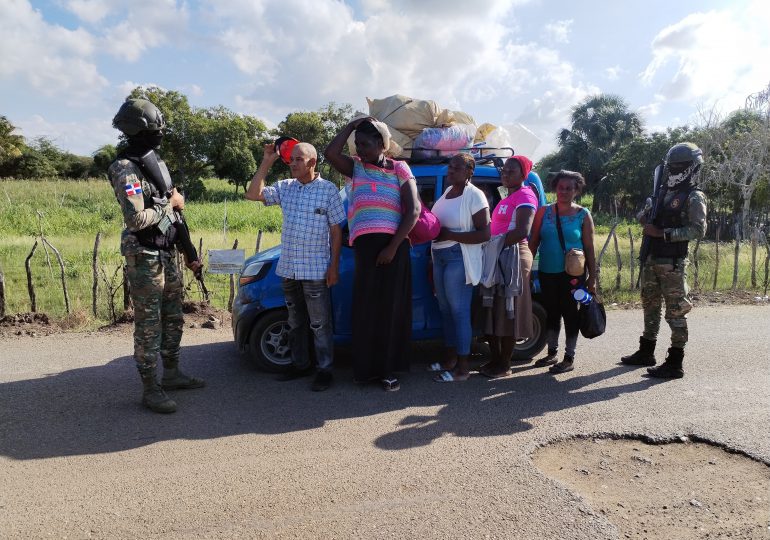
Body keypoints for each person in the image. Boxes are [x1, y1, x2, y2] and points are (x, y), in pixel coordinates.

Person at [109, 98, 205, 414]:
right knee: (149, 323)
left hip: (166, 251)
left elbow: (174, 215)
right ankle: (151, 389)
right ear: (140, 130)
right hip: (144, 254)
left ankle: (173, 373)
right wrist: (170, 204)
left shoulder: (153, 160)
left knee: (174, 315)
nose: (160, 133)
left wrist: (189, 252)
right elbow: (136, 219)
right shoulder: (125, 168)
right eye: (155, 128)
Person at [324, 118, 420, 392]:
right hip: (365, 250)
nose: (360, 150)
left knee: (390, 311)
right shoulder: (356, 168)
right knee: (366, 309)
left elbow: (412, 211)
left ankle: (388, 371)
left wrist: (391, 248)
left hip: (394, 246)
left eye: (365, 144)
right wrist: (351, 125)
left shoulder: (400, 169)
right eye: (357, 145)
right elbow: (330, 153)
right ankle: (365, 370)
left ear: (381, 144)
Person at [245, 142, 345, 392]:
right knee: (295, 321)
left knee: (320, 323)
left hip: (315, 271)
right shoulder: (285, 188)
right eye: (291, 159)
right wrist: (267, 160)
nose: (292, 163)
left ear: (312, 163)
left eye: (298, 159)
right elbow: (253, 194)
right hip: (289, 269)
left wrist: (333, 267)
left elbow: (336, 231)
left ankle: (325, 369)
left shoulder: (328, 190)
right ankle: (301, 365)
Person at [621, 142, 707, 378]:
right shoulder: (661, 192)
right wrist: (646, 214)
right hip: (651, 259)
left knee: (676, 312)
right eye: (673, 165)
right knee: (650, 306)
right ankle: (646, 351)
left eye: (680, 165)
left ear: (692, 168)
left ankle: (675, 362)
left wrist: (663, 233)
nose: (675, 169)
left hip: (673, 263)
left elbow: (698, 230)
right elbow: (641, 218)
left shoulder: (694, 196)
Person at [428, 153, 490, 382]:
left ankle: (463, 369)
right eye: (449, 167)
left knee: (459, 311)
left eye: (456, 168)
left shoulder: (474, 196)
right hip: (440, 257)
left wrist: (450, 235)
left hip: (458, 257)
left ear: (469, 172)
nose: (450, 171)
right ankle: (450, 359)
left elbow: (485, 233)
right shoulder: (446, 193)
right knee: (445, 310)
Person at [529, 170, 597, 374]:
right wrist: (525, 268)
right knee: (551, 311)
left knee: (570, 312)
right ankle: (552, 352)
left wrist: (592, 277)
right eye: (561, 188)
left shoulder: (583, 215)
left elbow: (590, 248)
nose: (564, 192)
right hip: (547, 272)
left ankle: (569, 357)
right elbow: (533, 241)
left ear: (576, 190)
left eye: (569, 188)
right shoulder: (544, 212)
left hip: (574, 275)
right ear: (555, 188)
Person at [478, 155, 539, 378]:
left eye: (512, 171)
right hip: (498, 254)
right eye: (504, 170)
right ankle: (495, 360)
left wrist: (495, 244)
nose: (505, 173)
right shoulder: (506, 198)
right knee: (494, 308)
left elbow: (523, 230)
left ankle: (504, 364)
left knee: (508, 310)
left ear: (523, 174)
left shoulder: (525, 196)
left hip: (513, 256)